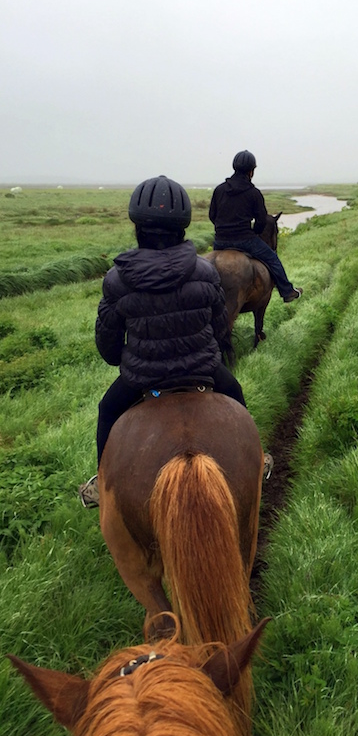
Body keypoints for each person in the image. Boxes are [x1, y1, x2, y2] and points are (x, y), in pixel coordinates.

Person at [78, 175, 270, 508]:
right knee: (235, 394)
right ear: (182, 229)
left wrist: (134, 355)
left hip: (141, 377)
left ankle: (103, 485)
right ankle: (258, 460)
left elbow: (108, 349)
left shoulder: (117, 279)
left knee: (107, 410)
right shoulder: (205, 272)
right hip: (204, 369)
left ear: (137, 227)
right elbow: (219, 331)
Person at [209, 150, 303, 302]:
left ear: (234, 167)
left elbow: (212, 215)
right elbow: (261, 220)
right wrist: (254, 232)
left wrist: (222, 229)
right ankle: (287, 291)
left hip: (220, 241)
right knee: (272, 258)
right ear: (251, 171)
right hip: (245, 239)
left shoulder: (219, 190)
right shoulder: (253, 193)